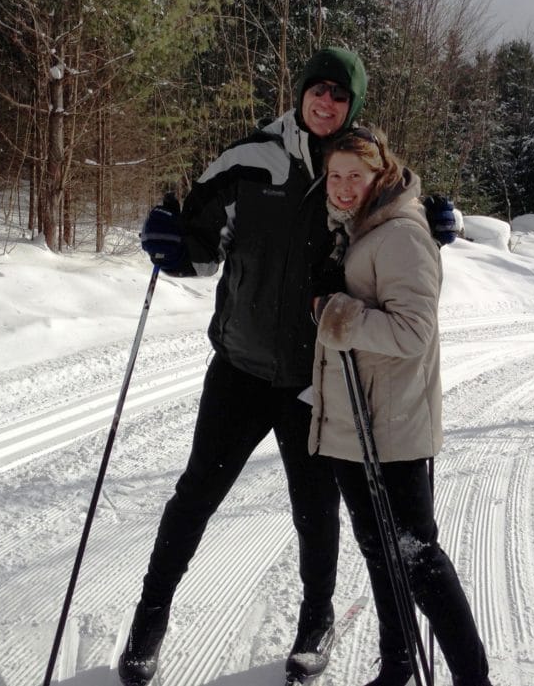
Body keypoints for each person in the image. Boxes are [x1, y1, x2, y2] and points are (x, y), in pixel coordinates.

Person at [121, 47, 369, 686]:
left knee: (315, 507)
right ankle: (149, 621)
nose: (326, 103)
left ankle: (316, 621)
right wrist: (169, 244)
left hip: (315, 377)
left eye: (340, 96)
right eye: (318, 90)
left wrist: (436, 225)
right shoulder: (249, 159)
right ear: (301, 93)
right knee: (195, 496)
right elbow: (201, 250)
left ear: (353, 106)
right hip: (240, 366)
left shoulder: (364, 170)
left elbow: (403, 223)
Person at [309, 127, 493, 686]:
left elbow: (414, 332)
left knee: (416, 556)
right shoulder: (356, 227)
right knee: (379, 551)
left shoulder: (401, 235)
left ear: (380, 174)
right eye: (335, 175)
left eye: (355, 176)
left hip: (390, 423)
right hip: (351, 418)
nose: (342, 187)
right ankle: (396, 666)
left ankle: (472, 678)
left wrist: (337, 313)